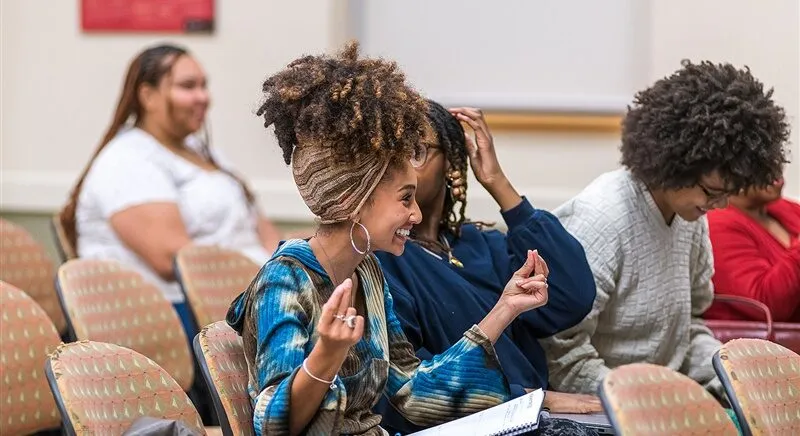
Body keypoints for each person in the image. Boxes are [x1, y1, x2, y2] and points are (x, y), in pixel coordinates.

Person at [226, 43, 558, 436]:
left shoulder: (367, 273)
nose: (416, 214)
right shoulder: (284, 282)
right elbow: (273, 426)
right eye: (405, 198)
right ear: (355, 201)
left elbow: (413, 390)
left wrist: (505, 307)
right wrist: (327, 356)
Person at [540, 60, 790, 399]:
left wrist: (728, 374)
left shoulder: (689, 215)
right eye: (712, 192)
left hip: (664, 399)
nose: (719, 207)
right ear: (674, 163)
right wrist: (651, 400)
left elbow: (688, 328)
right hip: (601, 408)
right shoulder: (602, 218)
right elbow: (562, 358)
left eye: (729, 194)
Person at [374, 101, 600, 434]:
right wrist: (530, 397)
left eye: (417, 151)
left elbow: (572, 297)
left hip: (537, 419)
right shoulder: (383, 257)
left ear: (451, 162)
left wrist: (496, 181)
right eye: (390, 152)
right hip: (477, 424)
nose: (400, 164)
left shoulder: (482, 243)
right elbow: (408, 387)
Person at [60, 44, 281, 336]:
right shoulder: (126, 160)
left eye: (204, 86)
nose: (203, 97)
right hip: (175, 316)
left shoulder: (203, 151)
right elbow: (175, 261)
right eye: (188, 86)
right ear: (148, 95)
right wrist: (272, 284)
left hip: (245, 297)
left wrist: (284, 269)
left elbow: (262, 233)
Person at [705, 177, 800, 321]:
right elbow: (763, 305)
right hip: (755, 341)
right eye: (759, 163)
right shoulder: (718, 223)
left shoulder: (781, 207)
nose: (775, 170)